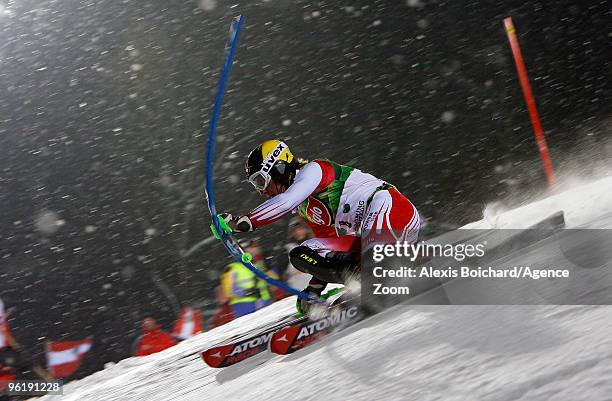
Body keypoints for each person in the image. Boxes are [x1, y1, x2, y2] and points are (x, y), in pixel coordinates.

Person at [220, 139, 420, 314]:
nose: (261, 191)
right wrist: (314, 289)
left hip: (393, 210)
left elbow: (286, 201)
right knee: (302, 253)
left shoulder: (313, 171)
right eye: (255, 185)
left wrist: (243, 222)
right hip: (372, 236)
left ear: (279, 169)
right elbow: (328, 246)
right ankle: (362, 282)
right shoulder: (305, 207)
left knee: (371, 253)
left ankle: (379, 281)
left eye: (261, 181)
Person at [220, 242, 273, 317]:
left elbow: (272, 282)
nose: (252, 252)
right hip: (245, 306)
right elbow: (228, 291)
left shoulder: (259, 265)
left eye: (253, 250)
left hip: (265, 303)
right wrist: (248, 292)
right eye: (249, 250)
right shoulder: (232, 268)